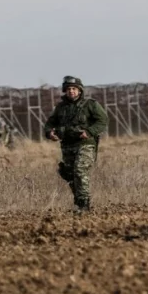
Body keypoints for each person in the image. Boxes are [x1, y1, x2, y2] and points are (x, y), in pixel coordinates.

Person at [44, 76, 108, 213]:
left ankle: (84, 204)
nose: (71, 91)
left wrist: (90, 132)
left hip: (85, 143)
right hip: (67, 145)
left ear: (79, 90)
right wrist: (49, 132)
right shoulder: (61, 108)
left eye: (74, 89)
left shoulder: (90, 105)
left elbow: (103, 120)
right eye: (68, 89)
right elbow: (50, 123)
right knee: (69, 174)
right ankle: (79, 202)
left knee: (80, 170)